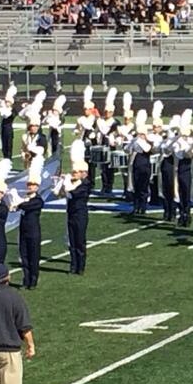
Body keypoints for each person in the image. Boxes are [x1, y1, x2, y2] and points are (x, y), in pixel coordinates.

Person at [55, 142, 91, 275]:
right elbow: (59, 193)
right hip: (70, 213)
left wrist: (66, 181)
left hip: (80, 214)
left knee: (80, 241)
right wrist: (60, 182)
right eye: (73, 172)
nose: (73, 174)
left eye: (76, 172)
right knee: (72, 240)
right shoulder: (73, 182)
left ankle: (80, 266)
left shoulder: (86, 184)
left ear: (83, 173)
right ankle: (73, 265)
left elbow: (74, 193)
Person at [11, 158, 44, 290]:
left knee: (33, 257)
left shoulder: (38, 200)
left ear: (37, 187)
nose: (30, 186)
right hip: (23, 230)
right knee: (24, 256)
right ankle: (26, 279)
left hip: (33, 232)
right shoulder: (25, 198)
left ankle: (33, 280)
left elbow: (25, 206)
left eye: (33, 185)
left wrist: (16, 200)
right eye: (29, 184)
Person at [129, 109, 153, 215]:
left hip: (145, 164)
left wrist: (140, 140)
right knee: (136, 186)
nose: (140, 136)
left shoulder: (148, 142)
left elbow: (147, 149)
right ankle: (136, 206)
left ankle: (143, 207)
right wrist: (132, 142)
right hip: (137, 163)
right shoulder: (136, 141)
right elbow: (127, 149)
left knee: (144, 186)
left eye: (142, 134)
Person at [174, 109, 193, 227]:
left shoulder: (191, 141)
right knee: (181, 192)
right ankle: (182, 214)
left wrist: (191, 145)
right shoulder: (178, 142)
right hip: (181, 168)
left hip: (189, 168)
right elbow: (180, 155)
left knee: (187, 192)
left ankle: (187, 214)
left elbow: (192, 155)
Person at [96, 89, 119, 196]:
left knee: (110, 167)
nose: (107, 113)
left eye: (109, 112)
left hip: (111, 147)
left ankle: (109, 186)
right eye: (106, 112)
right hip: (102, 145)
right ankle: (104, 186)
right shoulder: (100, 121)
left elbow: (117, 134)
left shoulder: (115, 122)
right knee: (102, 168)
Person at [0, 84, 17, 160]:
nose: (6, 103)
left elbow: (6, 115)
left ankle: (9, 158)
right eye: (6, 101)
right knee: (3, 144)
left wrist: (3, 108)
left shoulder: (13, 110)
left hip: (8, 130)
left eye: (8, 102)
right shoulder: (3, 108)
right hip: (3, 129)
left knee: (8, 145)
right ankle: (5, 157)